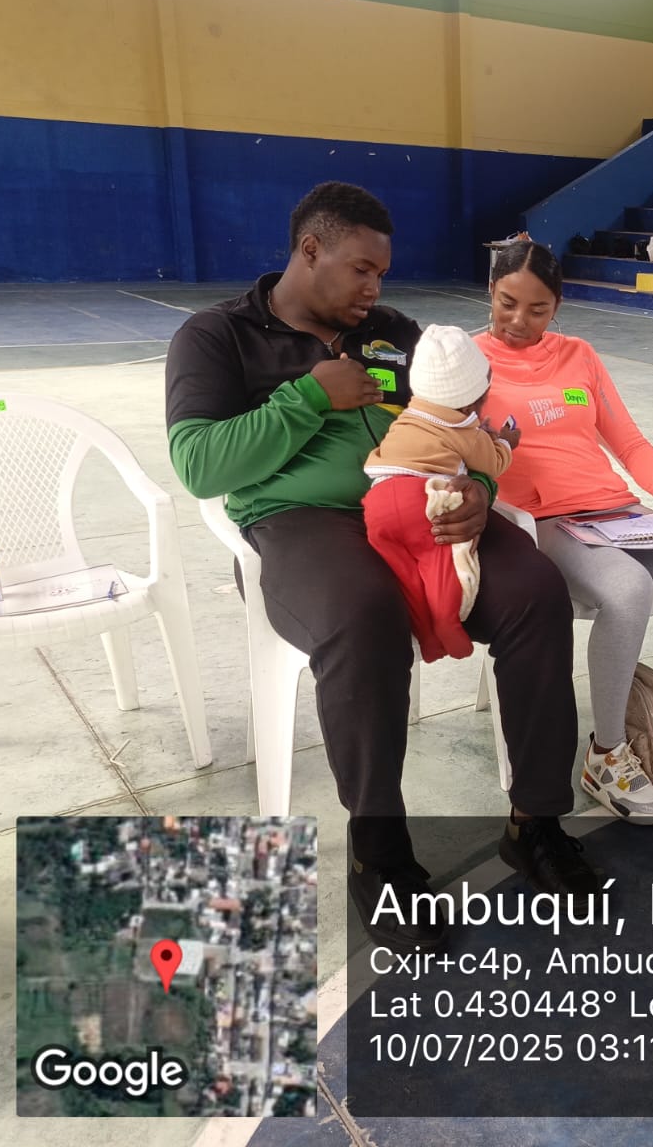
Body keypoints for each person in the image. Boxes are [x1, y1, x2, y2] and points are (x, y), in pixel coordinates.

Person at [164, 182, 600, 955]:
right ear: (310, 251)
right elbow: (199, 465)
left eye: (381, 274)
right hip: (302, 523)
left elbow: (468, 424)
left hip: (425, 507)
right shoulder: (218, 336)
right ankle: (382, 856)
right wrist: (306, 398)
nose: (374, 289)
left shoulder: (397, 334)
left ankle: (534, 821)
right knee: (364, 616)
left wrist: (479, 487)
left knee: (536, 589)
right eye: (360, 270)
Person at [475, 242, 653, 824]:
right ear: (490, 292)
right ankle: (607, 754)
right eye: (507, 303)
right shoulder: (471, 362)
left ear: (557, 307)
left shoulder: (580, 356)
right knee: (627, 588)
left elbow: (626, 439)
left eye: (537, 309)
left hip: (618, 511)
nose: (519, 320)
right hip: (545, 521)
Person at [362, 324, 519, 664]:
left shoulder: (409, 416)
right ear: (475, 399)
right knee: (440, 561)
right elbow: (492, 464)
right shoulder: (463, 427)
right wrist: (506, 442)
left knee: (405, 573)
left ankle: (427, 637)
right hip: (419, 498)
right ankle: (446, 623)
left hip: (377, 501)